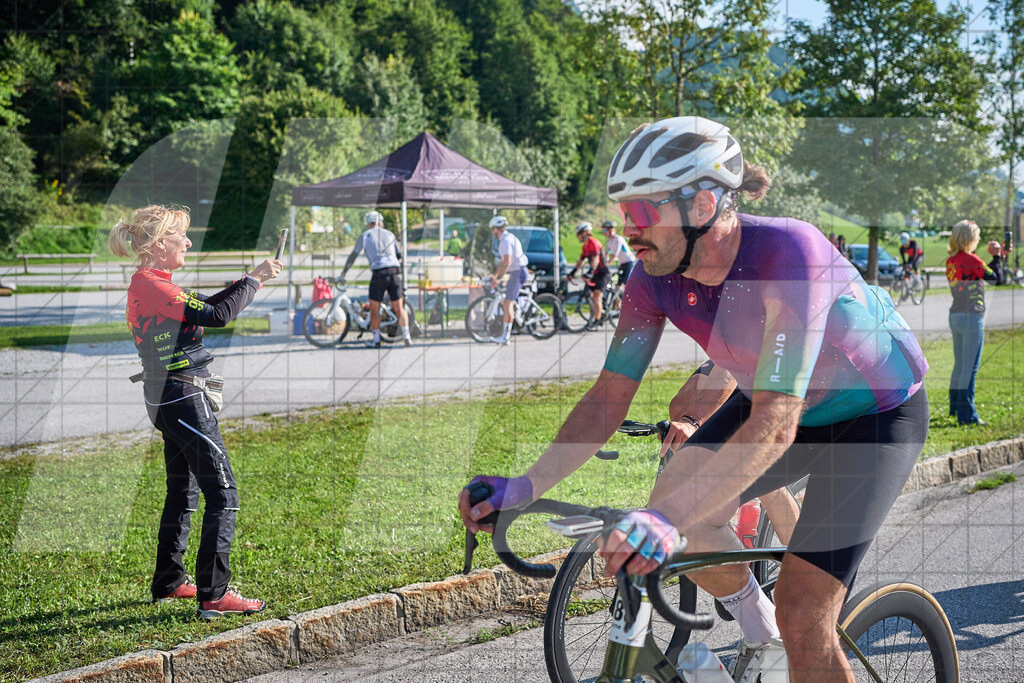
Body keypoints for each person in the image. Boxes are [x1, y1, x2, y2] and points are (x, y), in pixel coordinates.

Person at [459, 116, 929, 683]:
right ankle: (764, 638)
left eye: (642, 211)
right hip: (773, 401)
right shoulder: (651, 277)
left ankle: (790, 634)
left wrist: (664, 520)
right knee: (677, 509)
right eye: (623, 212)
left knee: (804, 612)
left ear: (703, 205)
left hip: (872, 417)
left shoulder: (787, 251)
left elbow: (778, 418)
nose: (629, 228)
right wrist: (525, 485)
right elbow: (609, 395)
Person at [108, 205, 281, 620]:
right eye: (180, 236)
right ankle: (214, 595)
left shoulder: (153, 283)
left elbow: (207, 304)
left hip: (168, 398)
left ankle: (169, 582)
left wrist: (250, 279)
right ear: (158, 245)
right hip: (182, 399)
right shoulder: (152, 284)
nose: (187, 242)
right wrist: (254, 280)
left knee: (183, 492)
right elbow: (218, 315)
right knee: (223, 493)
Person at [946, 220, 995, 425]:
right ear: (970, 238)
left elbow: (980, 273)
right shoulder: (972, 259)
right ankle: (968, 416)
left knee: (960, 365)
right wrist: (997, 257)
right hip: (972, 317)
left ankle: (955, 408)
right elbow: (995, 278)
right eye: (977, 236)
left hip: (955, 316)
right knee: (970, 368)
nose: (979, 239)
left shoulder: (952, 260)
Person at [340, 210, 411, 348]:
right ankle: (407, 337)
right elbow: (398, 254)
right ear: (380, 222)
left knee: (374, 308)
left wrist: (344, 273)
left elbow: (353, 255)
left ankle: (377, 340)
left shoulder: (364, 236)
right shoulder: (389, 234)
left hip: (379, 273)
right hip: (394, 272)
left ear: (368, 223)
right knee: (399, 308)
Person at [488, 215, 529, 345]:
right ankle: (507, 331)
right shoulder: (507, 238)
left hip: (518, 272)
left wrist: (498, 279)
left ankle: (505, 337)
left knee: (507, 303)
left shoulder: (505, 241)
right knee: (508, 302)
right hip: (516, 271)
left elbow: (507, 262)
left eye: (492, 230)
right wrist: (495, 275)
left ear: (496, 229)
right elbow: (502, 262)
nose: (492, 232)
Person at [567, 222, 611, 326]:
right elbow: (581, 261)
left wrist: (590, 272)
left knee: (597, 297)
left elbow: (596, 259)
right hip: (595, 273)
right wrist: (572, 273)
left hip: (603, 273)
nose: (577, 236)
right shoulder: (585, 247)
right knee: (591, 296)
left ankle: (597, 321)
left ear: (584, 233)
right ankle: (599, 312)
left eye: (578, 234)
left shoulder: (594, 243)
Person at [601, 219, 637, 285]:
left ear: (610, 230)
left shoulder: (618, 239)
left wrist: (608, 263)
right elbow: (606, 253)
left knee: (626, 282)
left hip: (629, 261)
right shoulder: (609, 241)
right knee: (618, 282)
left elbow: (615, 254)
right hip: (622, 263)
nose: (603, 232)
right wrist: (605, 261)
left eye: (604, 230)